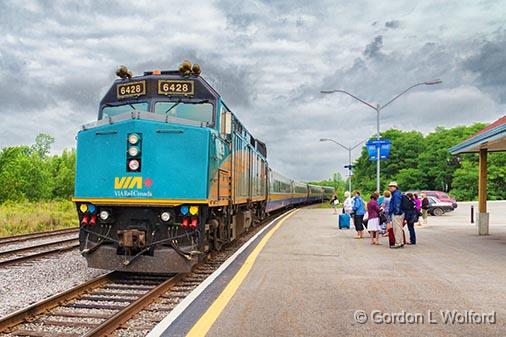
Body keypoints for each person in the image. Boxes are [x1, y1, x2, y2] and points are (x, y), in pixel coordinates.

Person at [388, 182, 404, 248]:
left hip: (397, 214)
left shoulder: (396, 194)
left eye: (390, 187)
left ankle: (398, 243)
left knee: (397, 229)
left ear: (394, 187)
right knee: (399, 228)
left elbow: (397, 204)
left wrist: (396, 212)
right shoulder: (397, 193)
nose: (389, 188)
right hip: (399, 213)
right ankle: (401, 242)